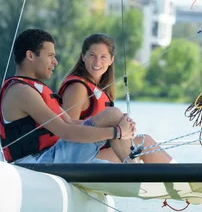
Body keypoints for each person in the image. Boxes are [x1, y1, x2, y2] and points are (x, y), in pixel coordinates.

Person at [0, 28, 137, 164]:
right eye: (50, 56)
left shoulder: (33, 90)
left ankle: (134, 173)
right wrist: (117, 132)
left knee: (114, 116)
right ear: (30, 56)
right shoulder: (21, 91)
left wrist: (120, 123)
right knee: (112, 115)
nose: (55, 62)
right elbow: (66, 132)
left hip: (51, 155)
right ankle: (135, 174)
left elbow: (70, 122)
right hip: (36, 162)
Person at [58, 33, 173, 163]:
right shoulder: (78, 87)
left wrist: (123, 124)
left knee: (145, 139)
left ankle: (180, 175)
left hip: (100, 149)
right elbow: (66, 129)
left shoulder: (100, 88)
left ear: (111, 60)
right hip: (79, 155)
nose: (97, 62)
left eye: (103, 57)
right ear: (83, 57)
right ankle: (176, 179)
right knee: (144, 143)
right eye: (92, 55)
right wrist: (115, 128)